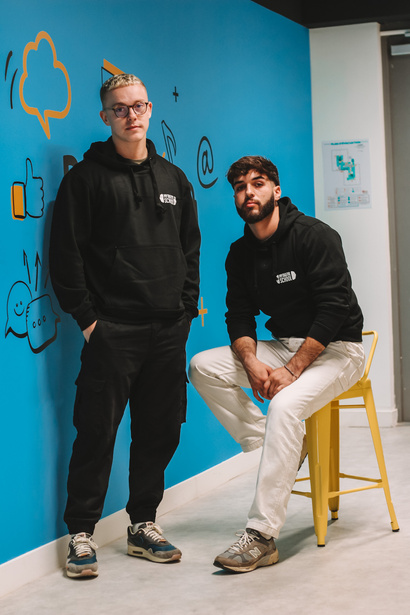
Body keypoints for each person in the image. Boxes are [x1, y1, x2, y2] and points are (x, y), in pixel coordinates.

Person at [49, 74, 200, 578]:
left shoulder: (175, 179)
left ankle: (142, 524)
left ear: (150, 109)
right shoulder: (85, 180)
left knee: (160, 431)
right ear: (105, 116)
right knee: (96, 433)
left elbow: (191, 250)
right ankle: (81, 534)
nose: (130, 116)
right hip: (112, 330)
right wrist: (89, 322)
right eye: (120, 108)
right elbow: (65, 257)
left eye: (138, 106)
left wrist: (184, 311)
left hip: (167, 331)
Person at [189, 155, 364, 573]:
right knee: (201, 366)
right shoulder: (239, 254)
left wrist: (292, 369)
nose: (248, 193)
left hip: (338, 349)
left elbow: (335, 307)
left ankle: (262, 536)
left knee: (284, 406)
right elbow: (239, 315)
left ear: (276, 190)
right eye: (240, 187)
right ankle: (278, 442)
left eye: (258, 183)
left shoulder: (314, 236)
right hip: (282, 346)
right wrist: (251, 361)